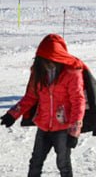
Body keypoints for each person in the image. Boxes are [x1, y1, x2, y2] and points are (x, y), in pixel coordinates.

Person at [1, 34, 86, 177]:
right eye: (43, 59)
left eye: (49, 59)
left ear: (57, 57)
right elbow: (31, 96)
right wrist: (13, 114)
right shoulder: (38, 72)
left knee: (63, 164)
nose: (46, 63)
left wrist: (74, 131)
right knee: (35, 162)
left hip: (63, 128)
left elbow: (78, 102)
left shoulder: (72, 73)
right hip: (43, 126)